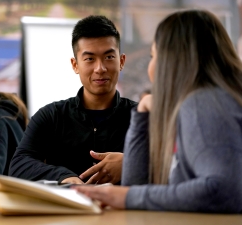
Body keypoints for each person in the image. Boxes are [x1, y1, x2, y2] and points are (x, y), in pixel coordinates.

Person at [74, 10, 242, 213]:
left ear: (172, 60)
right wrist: (142, 115)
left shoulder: (203, 104)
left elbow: (223, 190)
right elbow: (136, 185)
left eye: (153, 55)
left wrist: (125, 197)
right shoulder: (208, 101)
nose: (150, 67)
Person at [8, 15, 137, 185]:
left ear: (121, 61)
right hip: (67, 210)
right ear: (75, 65)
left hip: (125, 209)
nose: (100, 68)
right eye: (90, 59)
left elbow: (169, 166)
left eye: (109, 57)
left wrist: (130, 164)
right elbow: (19, 165)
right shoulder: (51, 116)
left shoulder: (141, 117)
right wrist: (63, 177)